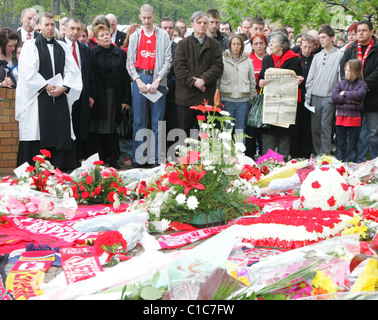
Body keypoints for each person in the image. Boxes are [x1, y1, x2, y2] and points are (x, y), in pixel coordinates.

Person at [15, 12, 82, 170]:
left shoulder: (63, 47)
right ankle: (35, 170)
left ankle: (61, 167)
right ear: (38, 26)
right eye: (46, 25)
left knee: (61, 130)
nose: (50, 28)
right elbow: (27, 72)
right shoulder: (30, 47)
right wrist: (46, 86)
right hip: (38, 98)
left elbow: (73, 72)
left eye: (53, 25)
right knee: (36, 130)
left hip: (59, 98)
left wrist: (64, 87)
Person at [127, 4, 172, 168]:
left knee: (157, 121)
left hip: (156, 78)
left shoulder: (163, 35)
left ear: (154, 16)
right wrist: (137, 80)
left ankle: (155, 159)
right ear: (140, 17)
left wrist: (158, 80)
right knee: (139, 120)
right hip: (140, 76)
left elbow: (168, 60)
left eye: (149, 17)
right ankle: (139, 157)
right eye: (143, 18)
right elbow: (130, 62)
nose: (146, 20)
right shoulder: (135, 36)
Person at [173, 11, 223, 139]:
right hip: (186, 97)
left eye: (205, 23)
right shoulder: (183, 44)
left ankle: (206, 159)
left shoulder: (215, 45)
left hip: (206, 96)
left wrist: (204, 80)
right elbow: (179, 67)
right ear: (192, 25)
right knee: (184, 136)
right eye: (199, 22)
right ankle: (186, 159)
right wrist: (194, 82)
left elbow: (218, 67)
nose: (202, 25)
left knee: (207, 135)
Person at [89, 24, 131, 169]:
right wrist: (91, 95)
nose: (105, 37)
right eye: (102, 35)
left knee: (113, 129)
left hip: (115, 95)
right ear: (96, 39)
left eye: (107, 34)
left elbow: (125, 78)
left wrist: (127, 99)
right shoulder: (92, 53)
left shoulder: (120, 53)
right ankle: (100, 161)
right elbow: (90, 76)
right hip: (99, 95)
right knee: (98, 130)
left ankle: (114, 160)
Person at [257, 31, 303, 161]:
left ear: (282, 46)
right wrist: (260, 82)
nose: (269, 44)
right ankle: (267, 164)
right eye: (270, 41)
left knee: (284, 135)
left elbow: (300, 80)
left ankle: (282, 164)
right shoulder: (267, 59)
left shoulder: (295, 59)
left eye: (273, 41)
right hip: (270, 103)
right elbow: (261, 77)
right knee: (268, 134)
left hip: (286, 105)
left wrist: (300, 81)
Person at [340, 20, 378, 162]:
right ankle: (356, 161)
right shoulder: (351, 49)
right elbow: (343, 67)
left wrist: (363, 85)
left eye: (364, 30)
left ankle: (375, 163)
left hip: (372, 97)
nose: (360, 33)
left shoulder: (376, 48)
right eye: (358, 31)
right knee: (354, 132)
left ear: (371, 32)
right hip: (353, 97)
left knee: (373, 132)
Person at [305, 25, 344, 156]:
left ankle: (325, 156)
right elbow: (310, 78)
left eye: (324, 37)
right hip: (315, 96)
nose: (321, 40)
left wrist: (337, 96)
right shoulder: (317, 56)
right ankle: (317, 155)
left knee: (325, 127)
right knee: (315, 128)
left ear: (332, 38)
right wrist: (308, 97)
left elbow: (340, 78)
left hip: (329, 96)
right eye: (320, 38)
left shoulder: (339, 55)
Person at [62, 17, 96, 164]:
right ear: (64, 29)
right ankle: (65, 160)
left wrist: (91, 94)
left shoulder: (84, 49)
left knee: (80, 126)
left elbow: (89, 73)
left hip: (82, 94)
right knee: (66, 126)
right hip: (64, 93)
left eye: (78, 29)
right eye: (72, 28)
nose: (75, 32)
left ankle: (76, 160)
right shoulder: (59, 46)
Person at [219, 34, 256, 139]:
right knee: (226, 130)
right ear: (230, 45)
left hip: (242, 101)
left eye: (238, 44)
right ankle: (226, 154)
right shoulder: (222, 59)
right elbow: (218, 80)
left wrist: (252, 99)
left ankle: (239, 154)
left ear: (242, 46)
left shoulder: (247, 60)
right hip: (226, 100)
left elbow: (252, 81)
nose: (236, 46)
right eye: (234, 44)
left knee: (240, 131)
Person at [332, 59, 367, 163]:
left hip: (354, 118)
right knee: (340, 144)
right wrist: (351, 99)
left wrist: (345, 94)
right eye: (346, 70)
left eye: (350, 71)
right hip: (340, 117)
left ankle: (350, 166)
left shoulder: (362, 84)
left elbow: (359, 96)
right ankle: (339, 165)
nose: (347, 73)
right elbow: (334, 97)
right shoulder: (340, 83)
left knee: (352, 145)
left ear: (356, 72)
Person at [290, 33, 316, 158]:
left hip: (310, 96)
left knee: (307, 126)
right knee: (296, 125)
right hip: (297, 96)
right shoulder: (295, 59)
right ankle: (294, 152)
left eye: (310, 47)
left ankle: (306, 152)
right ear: (300, 45)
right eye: (305, 46)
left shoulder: (315, 59)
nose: (307, 50)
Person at [246, 32, 268, 158]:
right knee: (251, 128)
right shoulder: (248, 59)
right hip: (252, 99)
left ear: (266, 44)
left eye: (261, 43)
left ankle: (263, 156)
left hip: (266, 100)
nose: (259, 46)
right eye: (256, 44)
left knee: (264, 131)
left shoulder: (269, 58)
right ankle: (250, 156)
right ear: (252, 46)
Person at [160, 17, 178, 154]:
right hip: (155, 90)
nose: (167, 30)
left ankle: (171, 152)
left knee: (172, 123)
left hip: (172, 92)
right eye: (164, 27)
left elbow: (179, 71)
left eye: (170, 28)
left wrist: (167, 86)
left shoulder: (178, 48)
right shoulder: (154, 46)